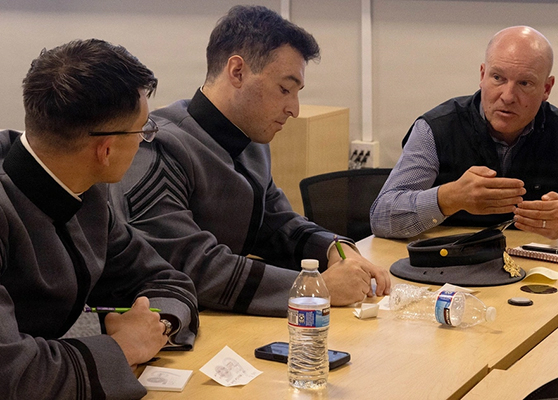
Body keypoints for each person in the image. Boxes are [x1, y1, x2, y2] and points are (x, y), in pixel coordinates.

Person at [109, 5, 391, 318]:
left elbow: (277, 224)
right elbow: (190, 267)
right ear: (237, 72)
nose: (294, 109)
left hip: (223, 320)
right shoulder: (158, 147)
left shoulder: (251, 143)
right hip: (162, 325)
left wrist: (335, 248)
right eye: (284, 89)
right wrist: (313, 288)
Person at [0, 39, 199, 399]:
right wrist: (124, 348)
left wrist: (154, 326)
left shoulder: (84, 190)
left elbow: (165, 279)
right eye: (144, 130)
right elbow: (11, 374)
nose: (145, 141)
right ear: (106, 150)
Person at [371, 26, 558, 244]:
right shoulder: (437, 128)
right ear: (482, 75)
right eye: (498, 78)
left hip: (535, 263)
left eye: (524, 83)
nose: (508, 96)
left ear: (546, 88)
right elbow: (382, 216)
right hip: (448, 259)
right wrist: (448, 198)